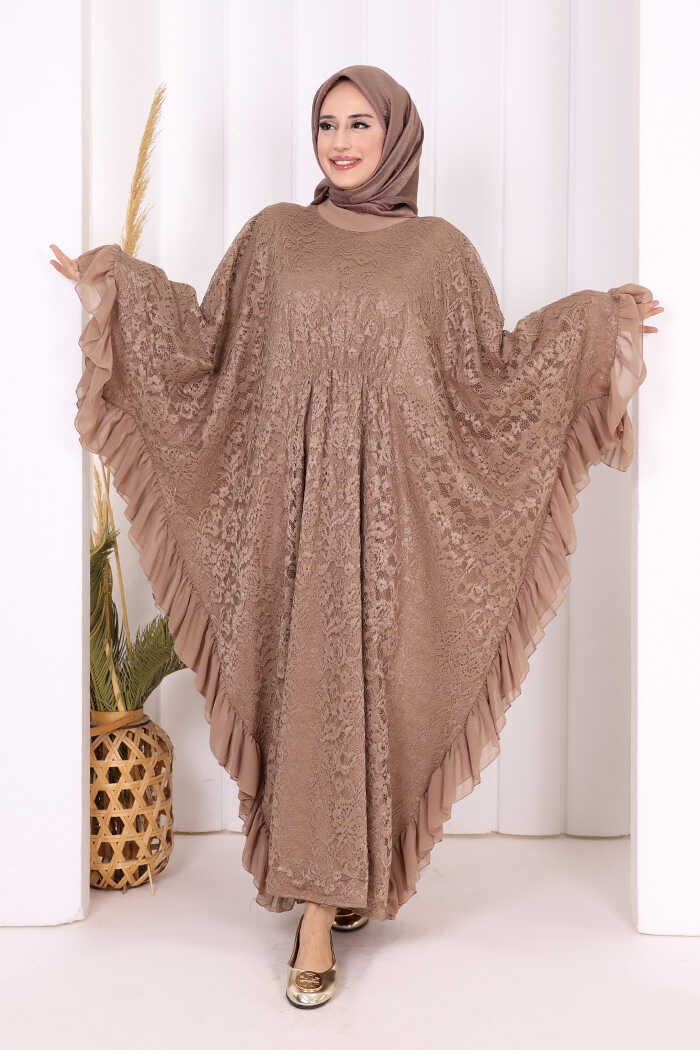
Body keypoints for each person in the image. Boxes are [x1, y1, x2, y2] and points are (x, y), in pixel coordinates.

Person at [50, 63, 663, 1010]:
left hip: (393, 536)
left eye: (360, 123)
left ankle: (340, 887)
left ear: (397, 136)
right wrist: (120, 288)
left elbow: (490, 378)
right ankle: (315, 913)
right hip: (290, 530)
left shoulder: (439, 256)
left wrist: (594, 325)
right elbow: (210, 350)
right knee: (308, 696)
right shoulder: (273, 238)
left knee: (374, 700)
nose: (340, 142)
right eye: (327, 124)